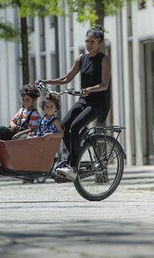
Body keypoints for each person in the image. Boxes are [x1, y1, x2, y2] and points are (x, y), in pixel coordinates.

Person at [36, 25, 110, 181]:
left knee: (75, 126)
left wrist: (90, 89)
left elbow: (105, 84)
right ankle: (74, 159)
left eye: (93, 41)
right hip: (84, 100)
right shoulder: (81, 58)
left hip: (98, 103)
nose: (89, 44)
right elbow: (65, 79)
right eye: (87, 40)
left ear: (100, 43)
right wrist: (45, 81)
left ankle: (73, 167)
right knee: (63, 126)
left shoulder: (104, 59)